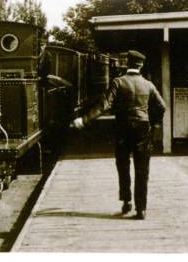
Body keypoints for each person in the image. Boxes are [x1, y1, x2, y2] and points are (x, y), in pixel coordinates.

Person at [71, 50, 166, 219]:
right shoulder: (148, 85)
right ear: (141, 65)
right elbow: (162, 106)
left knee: (123, 165)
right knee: (142, 168)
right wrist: (155, 123)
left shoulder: (118, 82)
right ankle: (141, 209)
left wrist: (84, 120)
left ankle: (127, 201)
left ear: (127, 64)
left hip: (123, 129)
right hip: (143, 128)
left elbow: (104, 105)